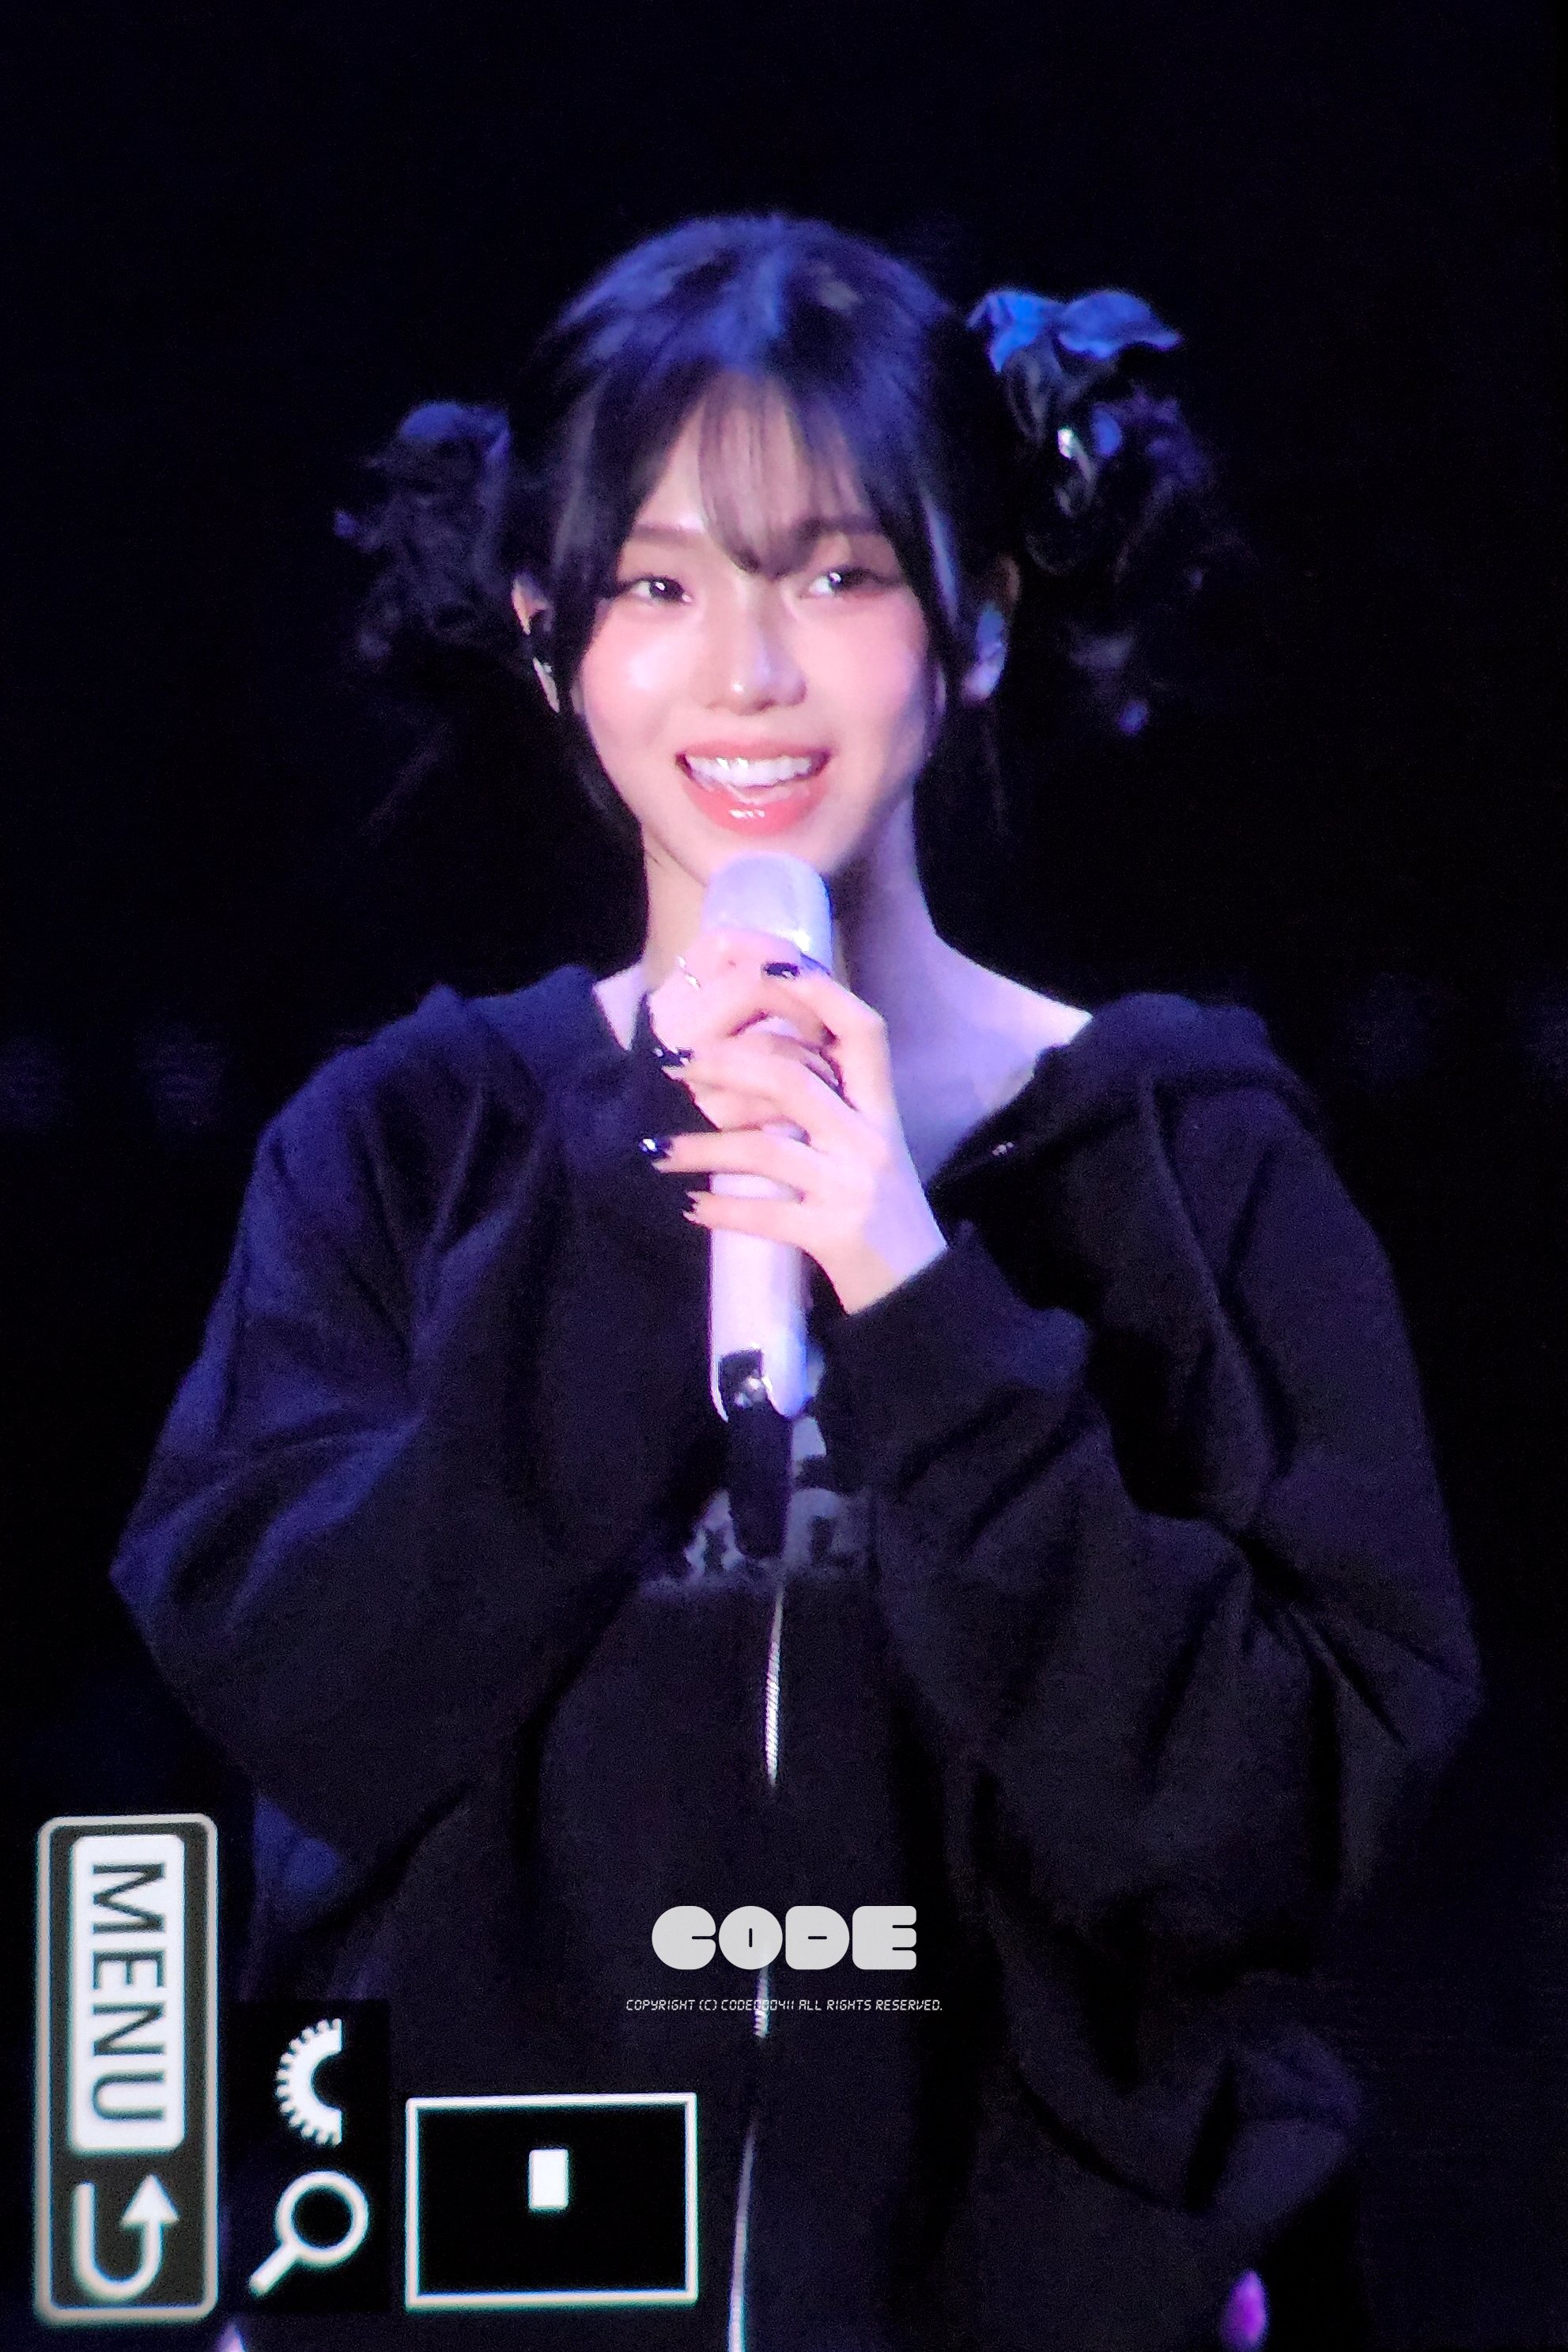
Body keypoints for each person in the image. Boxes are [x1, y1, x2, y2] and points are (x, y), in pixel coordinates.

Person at [111, 214, 1482, 2352]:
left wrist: (918, 1304)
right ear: (549, 637)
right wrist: (620, 1209)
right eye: (660, 586)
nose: (747, 672)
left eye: (835, 576)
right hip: (485, 2282)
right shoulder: (403, 1144)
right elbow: (301, 1701)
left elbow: (1284, 1815)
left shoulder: (1185, 1156)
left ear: (981, 620)